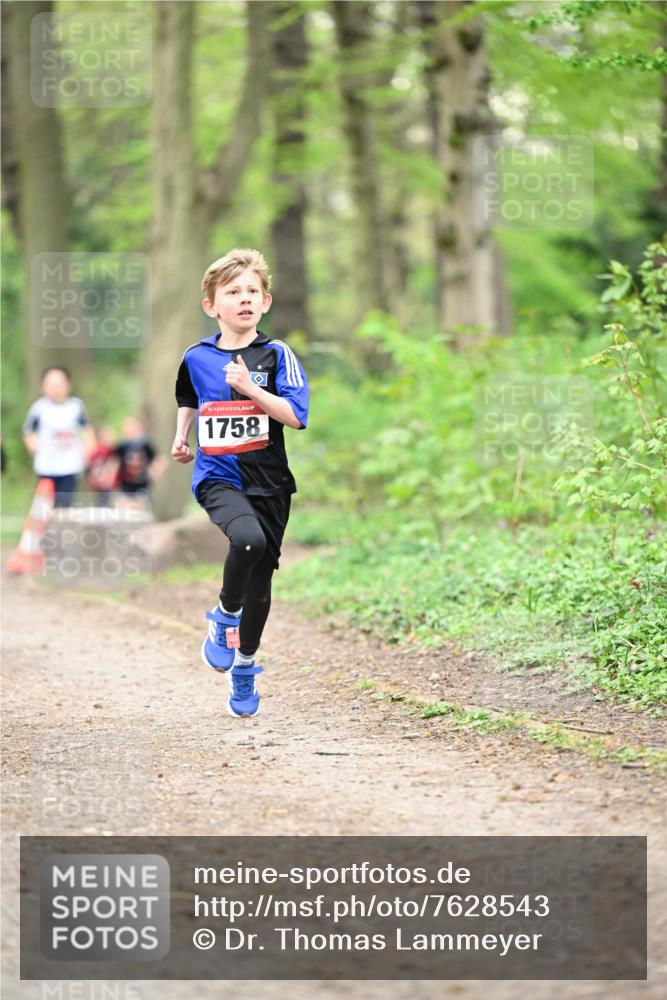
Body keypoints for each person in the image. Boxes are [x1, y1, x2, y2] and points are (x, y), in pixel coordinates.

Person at [172, 247, 309, 719]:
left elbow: (295, 416)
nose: (245, 299)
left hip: (269, 483)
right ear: (212, 305)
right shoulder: (197, 356)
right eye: (233, 292)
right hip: (218, 477)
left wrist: (252, 388)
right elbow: (189, 397)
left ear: (266, 302)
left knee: (261, 586)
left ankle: (245, 664)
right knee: (245, 540)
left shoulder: (276, 355)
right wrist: (180, 437)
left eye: (253, 291)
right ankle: (223, 616)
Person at [22, 366, 95, 508]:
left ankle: (62, 529)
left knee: (64, 505)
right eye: (51, 385)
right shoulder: (39, 408)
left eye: (59, 384)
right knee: (44, 504)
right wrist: (33, 446)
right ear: (43, 387)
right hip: (46, 466)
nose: (55, 389)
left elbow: (86, 430)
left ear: (68, 385)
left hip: (69, 465)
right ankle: (46, 529)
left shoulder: (76, 406)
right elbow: (28, 431)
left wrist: (89, 451)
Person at [116, 416, 166, 507]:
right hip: (125, 487)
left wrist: (154, 471)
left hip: (142, 486)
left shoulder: (144, 444)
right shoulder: (123, 446)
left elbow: (160, 459)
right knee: (123, 508)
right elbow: (114, 460)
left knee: (140, 509)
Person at [86, 425, 121, 505]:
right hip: (99, 486)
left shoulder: (114, 451)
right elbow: (91, 466)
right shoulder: (96, 451)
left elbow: (115, 466)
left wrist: (108, 478)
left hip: (112, 486)